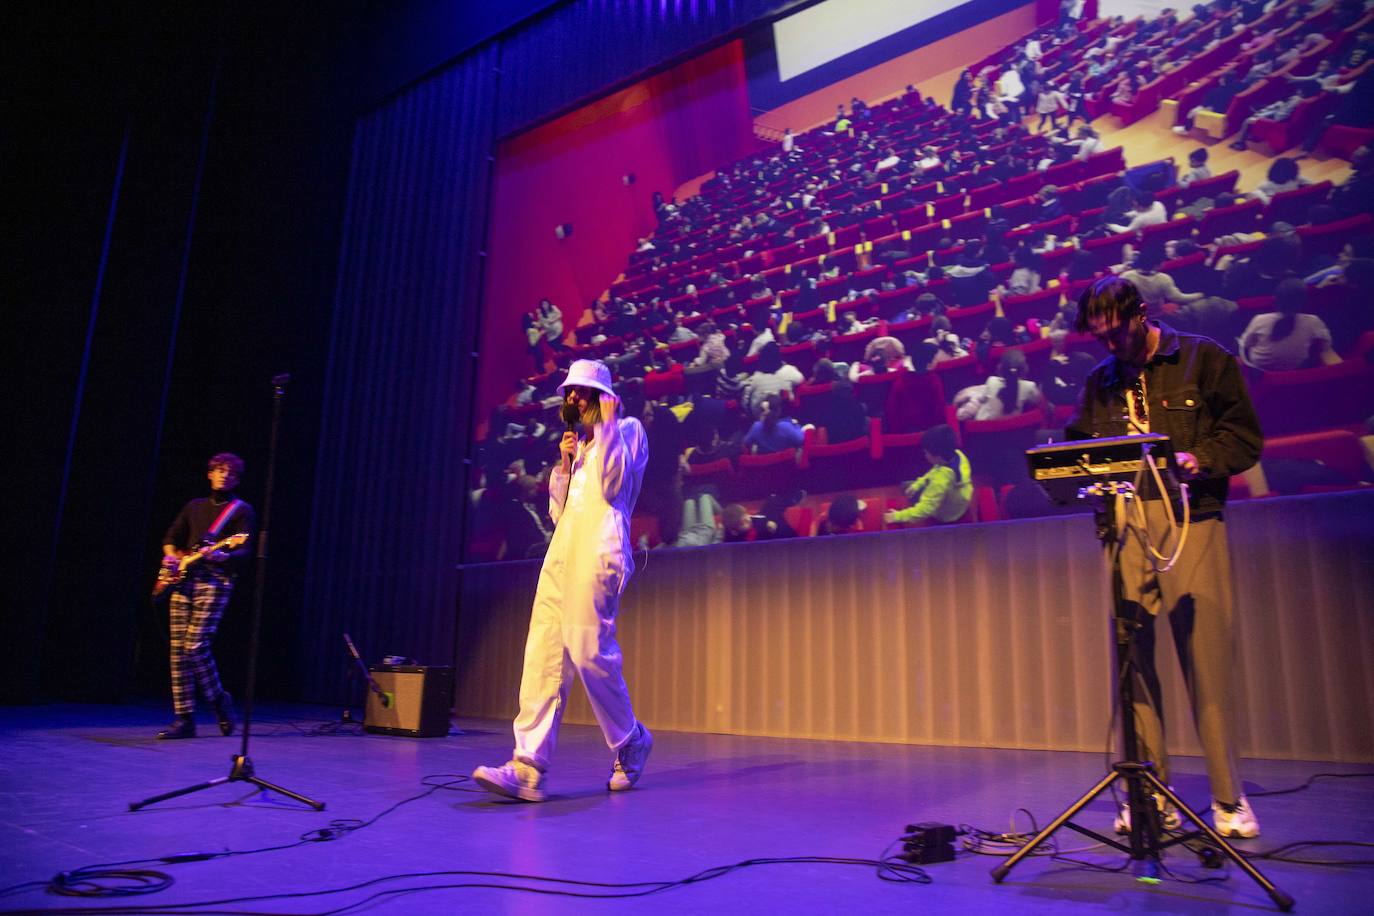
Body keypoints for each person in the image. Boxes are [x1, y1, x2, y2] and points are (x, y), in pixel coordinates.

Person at [1067, 276, 1264, 839]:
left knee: (1207, 663)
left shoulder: (1204, 358)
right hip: (1125, 523)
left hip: (1189, 520)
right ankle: (1150, 796)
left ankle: (1229, 800)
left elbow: (1244, 437)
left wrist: (1198, 459)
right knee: (1134, 667)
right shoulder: (1099, 382)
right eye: (1099, 338)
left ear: (1142, 313)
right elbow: (1080, 445)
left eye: (1117, 332)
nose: (1111, 346)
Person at [473, 359, 653, 801]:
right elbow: (559, 513)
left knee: (589, 648)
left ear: (601, 396)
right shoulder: (583, 447)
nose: (571, 399)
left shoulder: (627, 429)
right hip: (563, 553)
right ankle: (527, 766)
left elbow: (613, 487)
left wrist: (606, 427)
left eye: (580, 392)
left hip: (600, 550)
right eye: (569, 393)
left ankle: (631, 739)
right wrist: (565, 464)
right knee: (545, 652)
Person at [156, 453, 256, 739]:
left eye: (231, 473)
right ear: (209, 474)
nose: (224, 476)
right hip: (184, 581)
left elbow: (244, 550)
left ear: (237, 479)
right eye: (219, 470)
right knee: (177, 650)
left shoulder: (241, 510)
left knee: (195, 646)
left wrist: (224, 555)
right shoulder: (194, 507)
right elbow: (170, 538)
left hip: (215, 581)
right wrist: (172, 559)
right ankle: (184, 718)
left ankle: (219, 700)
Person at [1239, 277, 1340, 370]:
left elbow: (1246, 344)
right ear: (1304, 301)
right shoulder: (1314, 322)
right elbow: (1326, 345)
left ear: (1275, 299)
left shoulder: (1260, 320)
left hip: (1258, 369)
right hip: (1294, 368)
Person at [884, 425, 973, 526]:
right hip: (958, 507)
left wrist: (897, 517)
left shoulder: (940, 480)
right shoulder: (958, 454)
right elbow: (935, 471)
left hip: (945, 516)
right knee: (911, 486)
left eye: (926, 453)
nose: (925, 456)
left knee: (905, 485)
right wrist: (918, 484)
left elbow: (926, 509)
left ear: (938, 456)